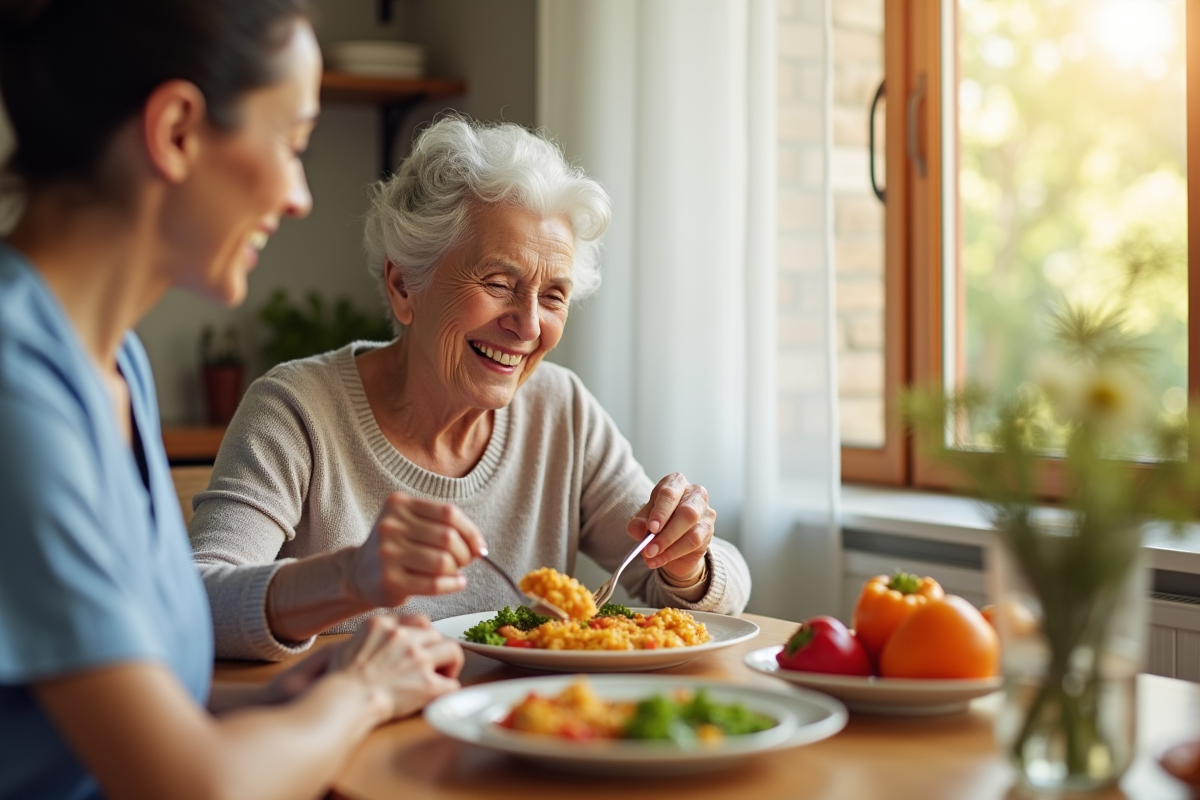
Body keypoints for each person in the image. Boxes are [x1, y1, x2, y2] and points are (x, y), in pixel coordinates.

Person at [0, 2, 464, 799]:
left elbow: (107, 719)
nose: (299, 197)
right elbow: (193, 786)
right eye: (292, 144)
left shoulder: (116, 366)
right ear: (177, 131)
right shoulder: (17, 387)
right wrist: (361, 694)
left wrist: (302, 693)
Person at [189, 114, 753, 660]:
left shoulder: (560, 410)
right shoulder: (296, 412)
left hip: (517, 735)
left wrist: (686, 560)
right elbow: (189, 603)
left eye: (553, 296)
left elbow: (704, 588)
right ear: (404, 285)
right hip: (356, 735)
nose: (529, 326)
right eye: (499, 283)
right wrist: (348, 577)